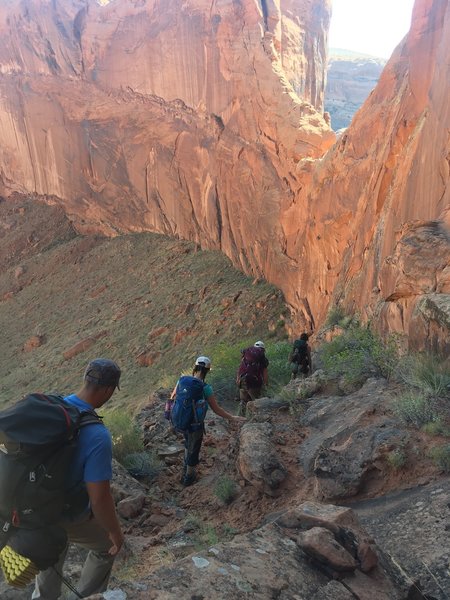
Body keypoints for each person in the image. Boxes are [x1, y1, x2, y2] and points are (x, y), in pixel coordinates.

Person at [32, 358, 123, 600]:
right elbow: (99, 498)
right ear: (108, 390)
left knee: (50, 558)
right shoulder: (97, 435)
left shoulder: (51, 407)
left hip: (33, 507)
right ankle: (86, 596)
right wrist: (115, 532)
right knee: (107, 548)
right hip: (64, 513)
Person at [170, 356, 244, 487]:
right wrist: (233, 418)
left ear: (195, 368)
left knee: (188, 443)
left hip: (180, 420)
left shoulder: (181, 380)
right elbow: (217, 410)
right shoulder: (205, 387)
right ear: (208, 370)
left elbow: (173, 397)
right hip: (195, 425)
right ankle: (189, 477)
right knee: (194, 449)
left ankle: (185, 468)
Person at [236, 341, 269, 416]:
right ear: (263, 350)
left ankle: (239, 418)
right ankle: (252, 419)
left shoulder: (246, 355)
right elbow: (265, 373)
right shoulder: (263, 358)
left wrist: (238, 379)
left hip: (243, 379)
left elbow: (240, 368)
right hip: (255, 381)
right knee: (255, 401)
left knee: (243, 401)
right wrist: (266, 384)